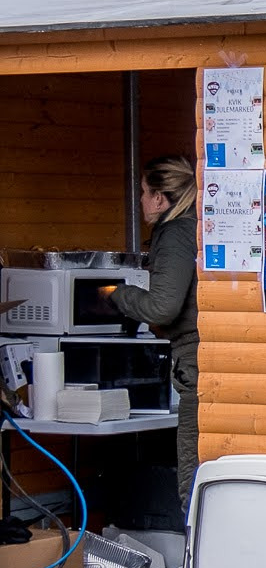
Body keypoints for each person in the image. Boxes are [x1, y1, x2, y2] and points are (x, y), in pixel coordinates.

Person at [105, 156, 200, 506]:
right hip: (205, 354)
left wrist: (118, 294)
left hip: (194, 357)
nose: (141, 200)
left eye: (144, 192)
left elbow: (163, 307)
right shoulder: (198, 226)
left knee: (192, 473)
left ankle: (195, 537)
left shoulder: (175, 233)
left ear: (160, 198)